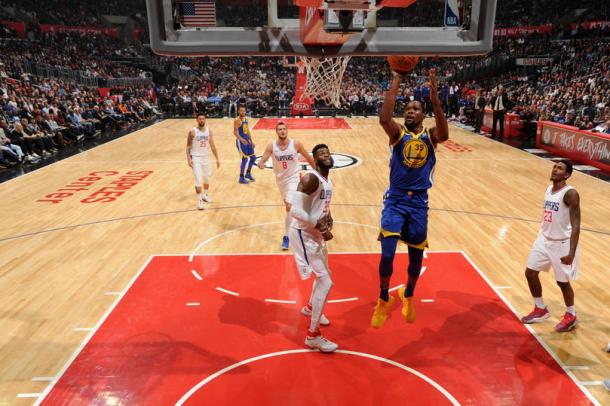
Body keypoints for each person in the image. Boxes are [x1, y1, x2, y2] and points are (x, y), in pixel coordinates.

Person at [371, 68, 448, 329]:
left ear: (423, 115)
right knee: (388, 255)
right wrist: (396, 79)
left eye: (415, 109)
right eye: (407, 109)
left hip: (419, 204)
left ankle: (409, 295)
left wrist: (436, 99)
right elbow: (384, 118)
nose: (410, 112)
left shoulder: (430, 137)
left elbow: (445, 135)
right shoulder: (398, 135)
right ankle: (383, 298)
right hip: (395, 199)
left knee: (415, 259)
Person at [521, 159, 581, 332]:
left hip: (561, 243)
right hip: (544, 239)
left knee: (562, 282)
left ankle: (571, 314)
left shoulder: (570, 194)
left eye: (560, 168)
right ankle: (540, 308)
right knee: (530, 273)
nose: (555, 169)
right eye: (554, 166)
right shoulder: (548, 189)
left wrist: (571, 252)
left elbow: (576, 224)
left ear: (567, 175)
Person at [289, 144, 336, 353]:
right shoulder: (311, 178)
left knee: (325, 276)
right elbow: (295, 211)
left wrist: (328, 219)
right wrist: (318, 225)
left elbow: (322, 207)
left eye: (327, 152)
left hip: (315, 234)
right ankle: (312, 336)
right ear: (315, 160)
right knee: (325, 282)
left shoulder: (327, 180)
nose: (326, 155)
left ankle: (310, 308)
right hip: (303, 234)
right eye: (321, 154)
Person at [257, 121, 316, 250]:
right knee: (290, 208)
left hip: (294, 178)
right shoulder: (271, 146)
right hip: (281, 181)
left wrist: (318, 171)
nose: (282, 131)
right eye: (280, 129)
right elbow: (263, 159)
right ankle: (301, 226)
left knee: (289, 206)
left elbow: (308, 157)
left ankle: (287, 237)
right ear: (276, 132)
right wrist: (261, 164)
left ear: (287, 130)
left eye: (284, 129)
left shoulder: (296, 144)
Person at [186, 114, 220, 210]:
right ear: (197, 120)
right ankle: (200, 201)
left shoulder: (209, 131)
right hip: (196, 157)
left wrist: (217, 158)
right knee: (198, 179)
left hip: (206, 157)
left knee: (206, 178)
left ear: (205, 120)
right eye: (200, 119)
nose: (201, 120)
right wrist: (188, 158)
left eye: (203, 119)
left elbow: (212, 146)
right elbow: (188, 146)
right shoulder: (192, 132)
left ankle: (206, 195)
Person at [234, 105, 256, 184]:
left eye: (244, 111)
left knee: (253, 157)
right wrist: (241, 139)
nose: (242, 112)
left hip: (247, 141)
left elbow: (247, 131)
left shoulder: (246, 119)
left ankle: (248, 173)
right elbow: (235, 132)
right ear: (238, 111)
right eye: (241, 110)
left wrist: (251, 141)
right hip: (241, 142)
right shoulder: (237, 120)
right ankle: (241, 177)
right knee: (245, 159)